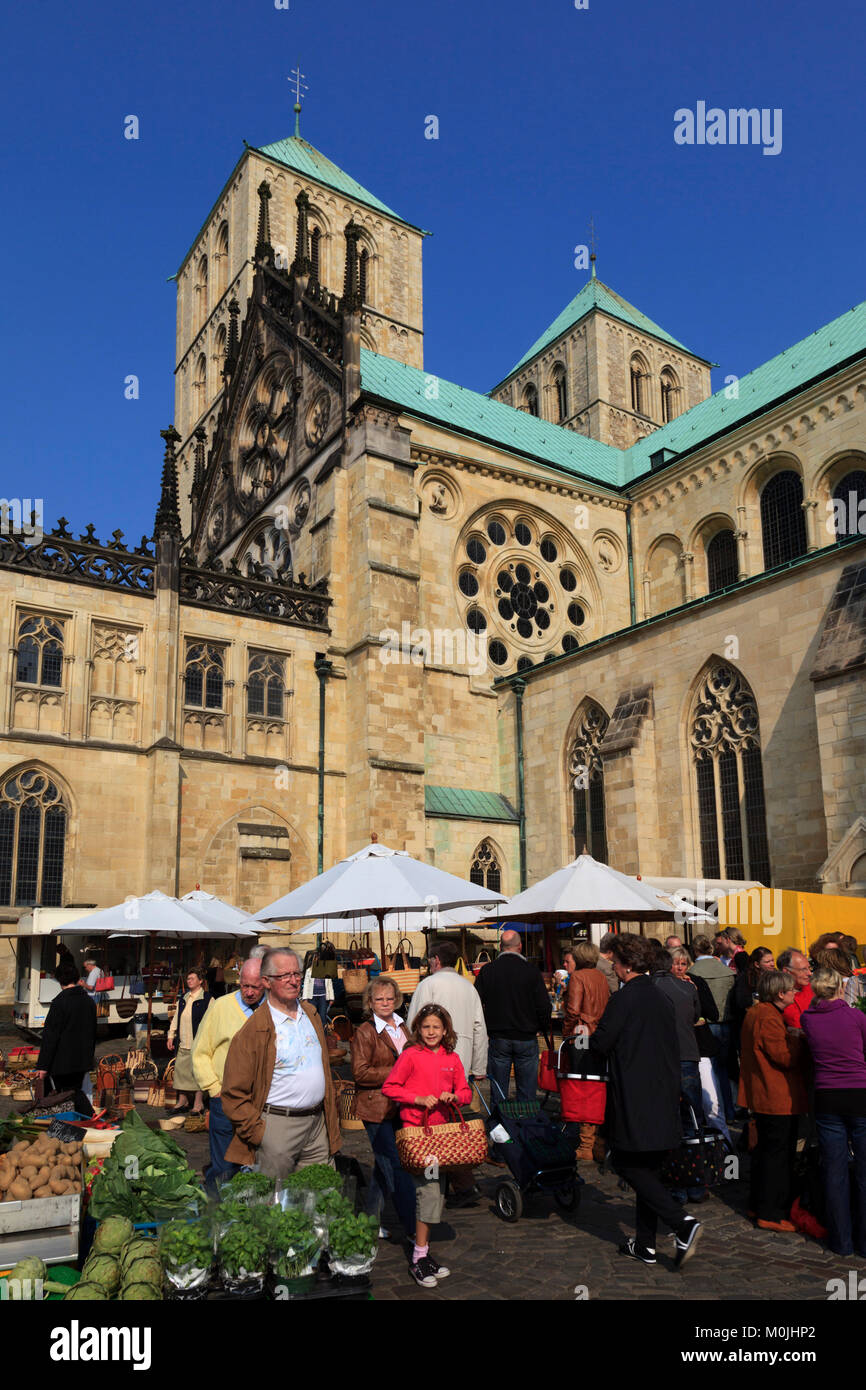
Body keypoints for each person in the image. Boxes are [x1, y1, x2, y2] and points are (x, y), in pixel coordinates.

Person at [592, 934, 702, 1269]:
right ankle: (645, 1244)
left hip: (635, 1093)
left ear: (625, 966)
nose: (613, 967)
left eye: (615, 963)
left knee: (626, 1163)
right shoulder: (661, 995)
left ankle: (682, 1222)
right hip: (664, 1088)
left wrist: (588, 1038)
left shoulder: (625, 999)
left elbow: (601, 1045)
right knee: (649, 1170)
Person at [221, 947, 340, 1176]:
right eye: (284, 975)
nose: (293, 981)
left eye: (296, 974)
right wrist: (259, 1133)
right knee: (273, 1204)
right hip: (277, 1127)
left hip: (317, 1126)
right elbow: (233, 1093)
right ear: (266, 981)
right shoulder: (254, 1029)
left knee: (320, 1200)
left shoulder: (311, 1014)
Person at [382, 1003, 472, 1289]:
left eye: (436, 1027)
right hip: (418, 1135)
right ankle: (419, 1257)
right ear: (418, 1030)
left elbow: (467, 1092)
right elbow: (390, 1087)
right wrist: (417, 1099)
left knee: (437, 1194)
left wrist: (455, 1097)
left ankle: (423, 1251)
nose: (431, 1031)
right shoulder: (410, 1056)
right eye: (426, 1027)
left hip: (443, 1137)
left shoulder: (453, 1058)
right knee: (430, 1193)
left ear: (445, 1030)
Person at [407, 938, 488, 1205]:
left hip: (432, 1065)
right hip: (459, 1067)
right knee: (452, 1125)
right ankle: (462, 1185)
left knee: (435, 1127)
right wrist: (478, 1067)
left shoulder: (428, 984)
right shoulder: (469, 987)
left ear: (436, 961)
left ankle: (442, 1186)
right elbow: (480, 1029)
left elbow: (412, 1025)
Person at [801, 968, 866, 1257]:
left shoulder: (808, 1019)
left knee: (834, 1170)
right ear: (840, 988)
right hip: (858, 1093)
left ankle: (842, 1241)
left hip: (827, 1096)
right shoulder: (856, 1017)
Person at [738, 969, 807, 1233]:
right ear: (780, 993)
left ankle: (760, 1205)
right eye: (792, 989)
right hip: (775, 1097)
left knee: (766, 1155)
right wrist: (797, 1039)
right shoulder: (767, 1016)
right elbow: (785, 1057)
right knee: (777, 1157)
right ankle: (770, 1212)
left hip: (766, 1095)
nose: (795, 993)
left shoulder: (758, 1012)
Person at [191, 956, 265, 1193]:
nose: (250, 992)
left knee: (258, 1163)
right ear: (239, 981)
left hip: (262, 1102)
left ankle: (248, 1214)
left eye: (256, 987)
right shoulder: (221, 1006)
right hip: (225, 1098)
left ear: (266, 983)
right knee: (224, 1165)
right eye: (245, 986)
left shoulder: (271, 1010)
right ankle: (218, 1214)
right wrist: (213, 1088)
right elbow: (200, 1051)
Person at [350, 975, 416, 1242]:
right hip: (376, 1107)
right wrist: (397, 1071)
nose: (385, 1003)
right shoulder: (365, 1032)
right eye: (379, 999)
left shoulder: (404, 1026)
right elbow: (360, 1073)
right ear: (370, 1002)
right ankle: (411, 1225)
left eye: (390, 998)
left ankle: (369, 1219)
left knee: (383, 1165)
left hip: (401, 1104)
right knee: (395, 1164)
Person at [475, 930, 551, 1104]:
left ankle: (499, 1128)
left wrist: (485, 1028)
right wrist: (541, 1027)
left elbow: (476, 1002)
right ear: (520, 946)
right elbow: (543, 1005)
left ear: (501, 947)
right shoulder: (531, 971)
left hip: (498, 1037)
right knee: (527, 1092)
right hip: (526, 1036)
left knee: (499, 1091)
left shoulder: (488, 971)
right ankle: (525, 1127)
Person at [670, 948, 726, 1143]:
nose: (678, 967)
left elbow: (712, 1013)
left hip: (700, 1047)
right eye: (675, 963)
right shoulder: (665, 985)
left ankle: (723, 1146)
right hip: (677, 1049)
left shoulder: (696, 982)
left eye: (683, 964)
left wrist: (696, 999)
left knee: (711, 1102)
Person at [561, 940, 610, 1160]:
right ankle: (596, 1141)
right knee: (597, 1085)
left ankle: (586, 1144)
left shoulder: (579, 977)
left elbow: (573, 1010)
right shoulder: (600, 976)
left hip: (581, 1034)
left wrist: (566, 1034)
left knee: (582, 1085)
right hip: (599, 1034)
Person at [689, 934, 736, 1124]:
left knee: (710, 1073)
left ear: (694, 950)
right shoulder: (725, 970)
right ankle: (729, 1113)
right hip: (728, 1023)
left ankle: (715, 1114)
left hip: (706, 1026)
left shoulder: (693, 972)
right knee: (725, 1071)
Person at [34, 961, 97, 1095]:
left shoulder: (60, 1003)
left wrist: (43, 1066)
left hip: (62, 1063)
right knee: (77, 1094)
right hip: (82, 1060)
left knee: (63, 1098)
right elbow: (93, 1033)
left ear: (59, 980)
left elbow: (50, 1037)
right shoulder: (89, 1001)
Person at [166, 968, 211, 1115]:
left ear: (200, 981)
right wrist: (171, 1035)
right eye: (188, 978)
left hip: (198, 1043)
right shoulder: (183, 999)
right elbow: (176, 1019)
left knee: (197, 1073)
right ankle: (182, 1101)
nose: (189, 981)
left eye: (192, 978)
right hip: (183, 1042)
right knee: (181, 1072)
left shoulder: (207, 999)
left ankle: (198, 1103)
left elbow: (213, 1020)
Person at [777, 949, 813, 1028]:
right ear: (786, 971)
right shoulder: (781, 996)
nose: (809, 973)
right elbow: (798, 1024)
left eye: (809, 968)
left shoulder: (812, 987)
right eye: (803, 969)